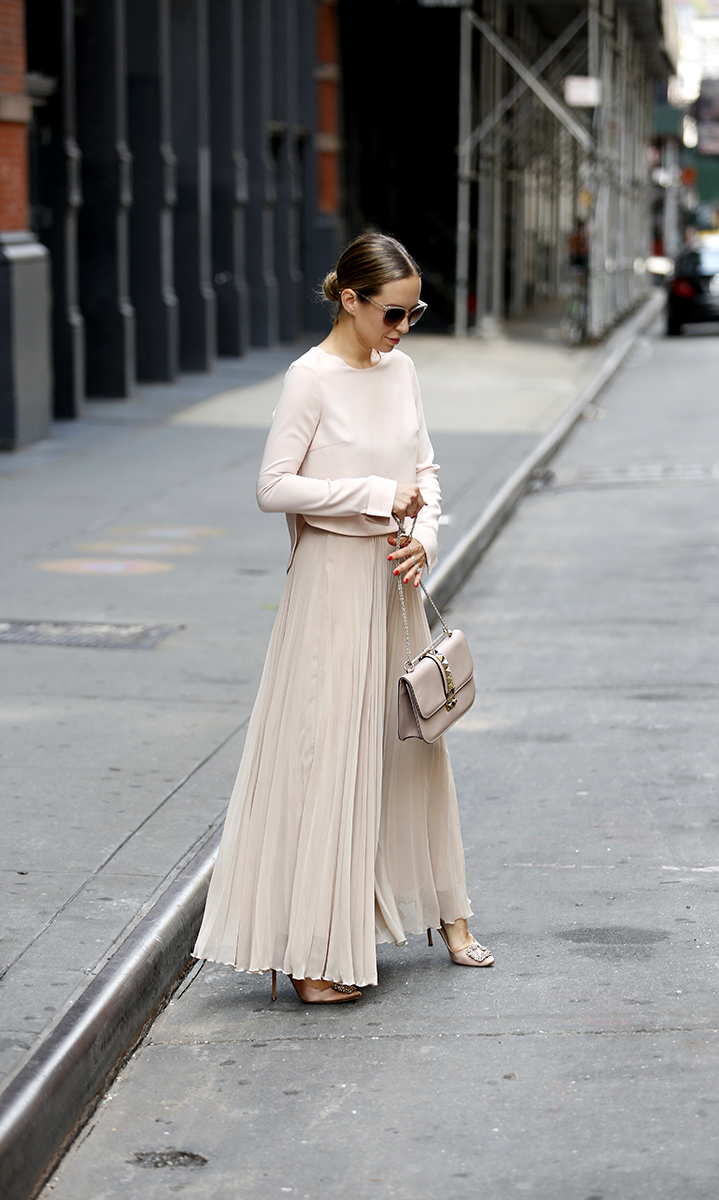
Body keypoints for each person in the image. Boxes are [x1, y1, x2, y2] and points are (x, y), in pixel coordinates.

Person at [193, 232, 493, 1004]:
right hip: (330, 588)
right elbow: (273, 487)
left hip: (394, 582)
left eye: (414, 312)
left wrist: (424, 537)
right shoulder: (309, 379)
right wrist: (369, 494)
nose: (402, 328)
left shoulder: (402, 370)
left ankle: (445, 913)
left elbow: (424, 468)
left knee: (413, 747)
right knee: (327, 757)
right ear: (350, 300)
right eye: (393, 313)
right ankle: (312, 952)